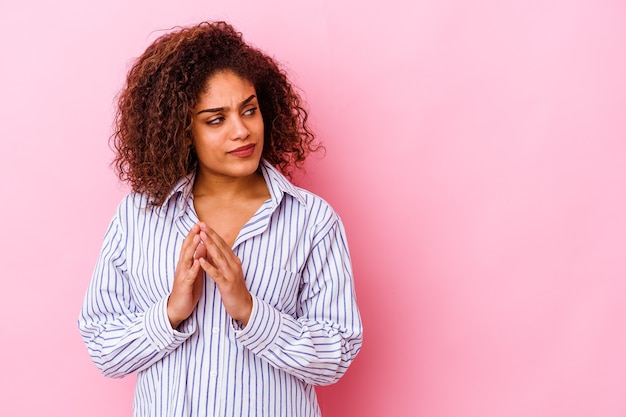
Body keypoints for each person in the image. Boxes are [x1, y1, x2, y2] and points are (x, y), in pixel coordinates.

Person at [78, 21, 363, 417]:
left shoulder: (312, 220)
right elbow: (103, 348)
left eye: (250, 110)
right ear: (183, 130)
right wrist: (171, 311)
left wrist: (250, 310)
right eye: (216, 120)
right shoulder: (139, 215)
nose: (242, 131)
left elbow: (336, 355)